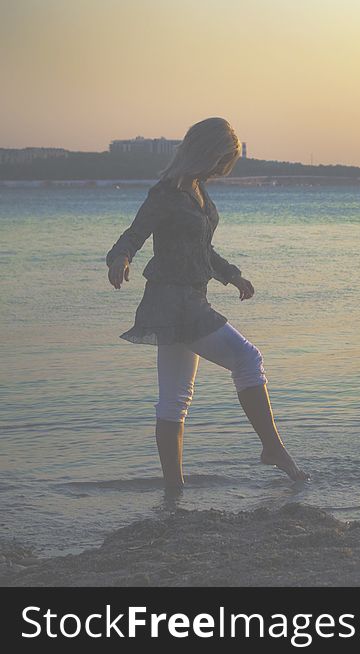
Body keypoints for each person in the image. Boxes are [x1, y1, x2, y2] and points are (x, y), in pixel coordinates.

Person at [106, 117, 308, 490]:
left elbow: (201, 248)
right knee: (248, 359)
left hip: (186, 300)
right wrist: (120, 259)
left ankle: (174, 490)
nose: (221, 170)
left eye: (225, 165)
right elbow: (133, 235)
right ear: (203, 153)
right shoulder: (165, 194)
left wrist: (232, 275)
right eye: (220, 162)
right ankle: (273, 448)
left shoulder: (198, 189)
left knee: (174, 400)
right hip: (175, 301)